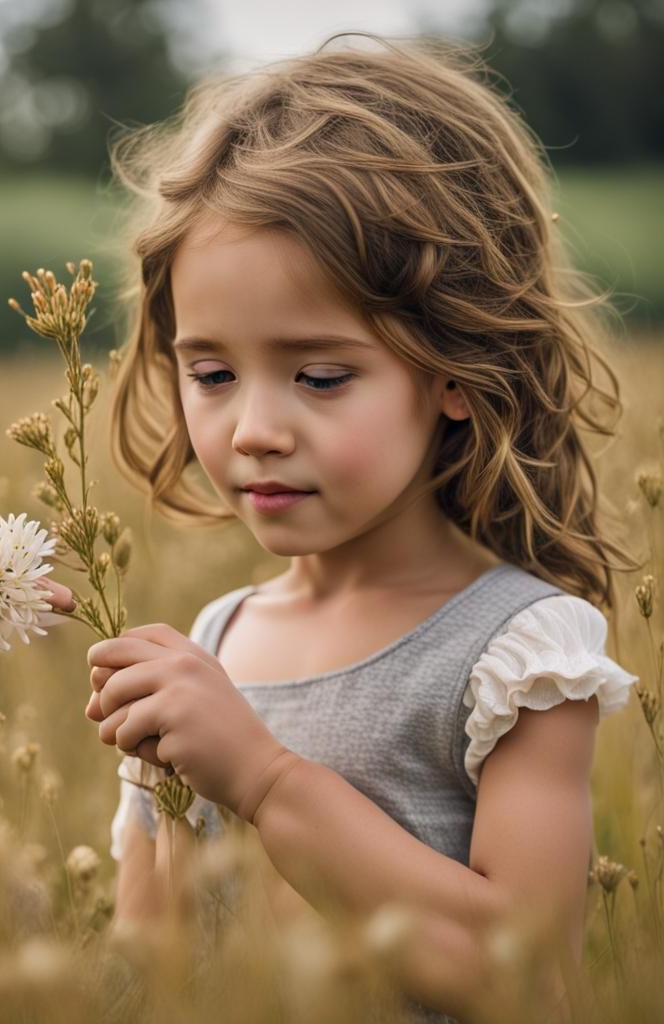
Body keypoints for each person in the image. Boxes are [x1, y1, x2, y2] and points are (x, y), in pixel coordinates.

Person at [45, 30, 643, 1023]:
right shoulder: (212, 644)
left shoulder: (516, 655)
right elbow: (142, 967)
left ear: (451, 371)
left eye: (319, 375)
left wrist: (267, 782)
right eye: (211, 373)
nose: (254, 430)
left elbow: (532, 980)